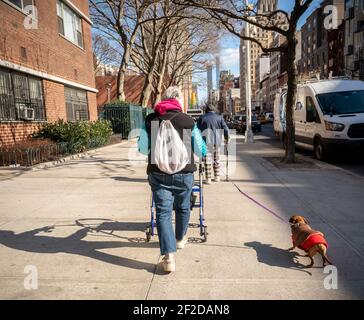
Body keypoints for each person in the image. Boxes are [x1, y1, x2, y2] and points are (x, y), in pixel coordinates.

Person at [138, 86, 206, 273]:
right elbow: (201, 150)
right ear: (178, 102)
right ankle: (180, 239)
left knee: (163, 212)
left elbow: (143, 149)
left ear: (164, 100)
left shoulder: (151, 119)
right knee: (183, 206)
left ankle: (168, 257)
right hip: (184, 174)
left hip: (158, 173)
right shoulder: (187, 120)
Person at [197, 104, 230, 184]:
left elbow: (197, 130)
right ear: (213, 110)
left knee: (207, 161)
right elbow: (226, 129)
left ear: (206, 110)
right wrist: (227, 138)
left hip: (205, 142)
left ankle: (208, 178)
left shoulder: (202, 118)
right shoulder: (219, 117)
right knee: (216, 159)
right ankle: (217, 177)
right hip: (217, 142)